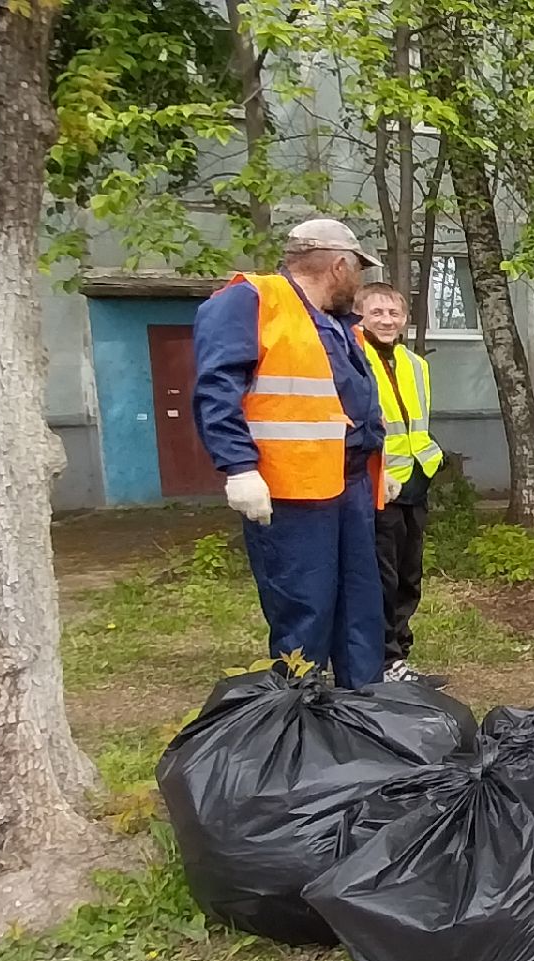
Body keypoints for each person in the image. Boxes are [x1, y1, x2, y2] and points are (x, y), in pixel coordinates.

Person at [190, 219, 388, 689]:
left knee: (360, 605)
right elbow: (217, 389)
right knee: (305, 609)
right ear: (340, 266)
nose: (359, 284)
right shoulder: (253, 301)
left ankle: (364, 708)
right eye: (359, 271)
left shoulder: (341, 327)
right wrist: (238, 467)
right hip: (293, 491)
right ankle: (300, 712)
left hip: (348, 484)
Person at [353, 282, 448, 687]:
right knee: (382, 576)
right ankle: (384, 659)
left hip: (414, 482)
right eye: (377, 312)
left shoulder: (415, 364)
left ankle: (400, 657)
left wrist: (431, 463)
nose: (387, 320)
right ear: (360, 315)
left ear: (405, 319)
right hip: (374, 484)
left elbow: (414, 423)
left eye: (394, 313)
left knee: (410, 576)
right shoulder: (350, 357)